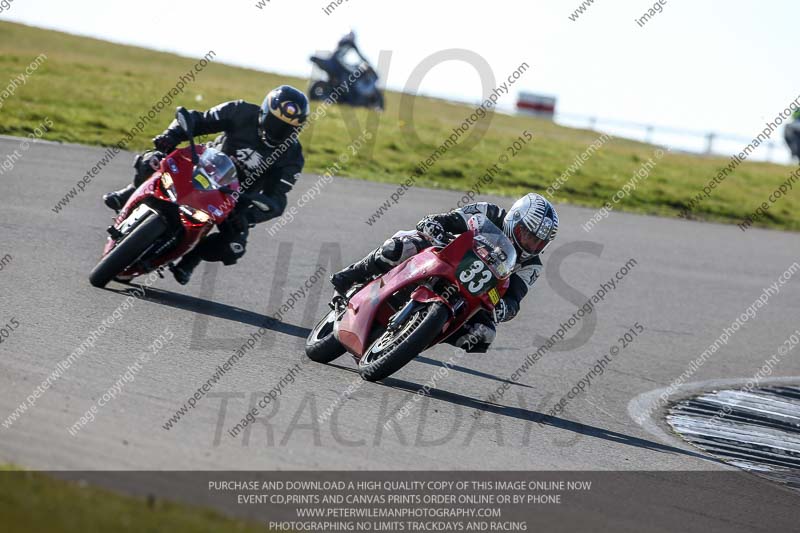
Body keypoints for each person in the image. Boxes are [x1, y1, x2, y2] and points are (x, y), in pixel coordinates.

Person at [102, 85, 309, 284]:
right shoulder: (240, 110)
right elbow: (195, 119)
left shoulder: (292, 157)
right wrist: (169, 137)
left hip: (233, 199)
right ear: (264, 112)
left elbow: (277, 198)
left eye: (287, 129)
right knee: (151, 160)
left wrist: (248, 216)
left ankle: (192, 258)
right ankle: (130, 191)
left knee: (233, 247)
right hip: (201, 166)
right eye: (275, 123)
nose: (278, 131)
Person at [330, 193, 559, 353]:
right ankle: (351, 276)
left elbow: (514, 299)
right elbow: (447, 219)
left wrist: (504, 308)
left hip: (473, 292)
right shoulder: (488, 212)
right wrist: (434, 225)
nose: (530, 243)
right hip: (443, 255)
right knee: (399, 248)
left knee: (482, 334)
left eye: (538, 241)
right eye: (527, 234)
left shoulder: (532, 265)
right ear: (514, 219)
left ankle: (419, 335)